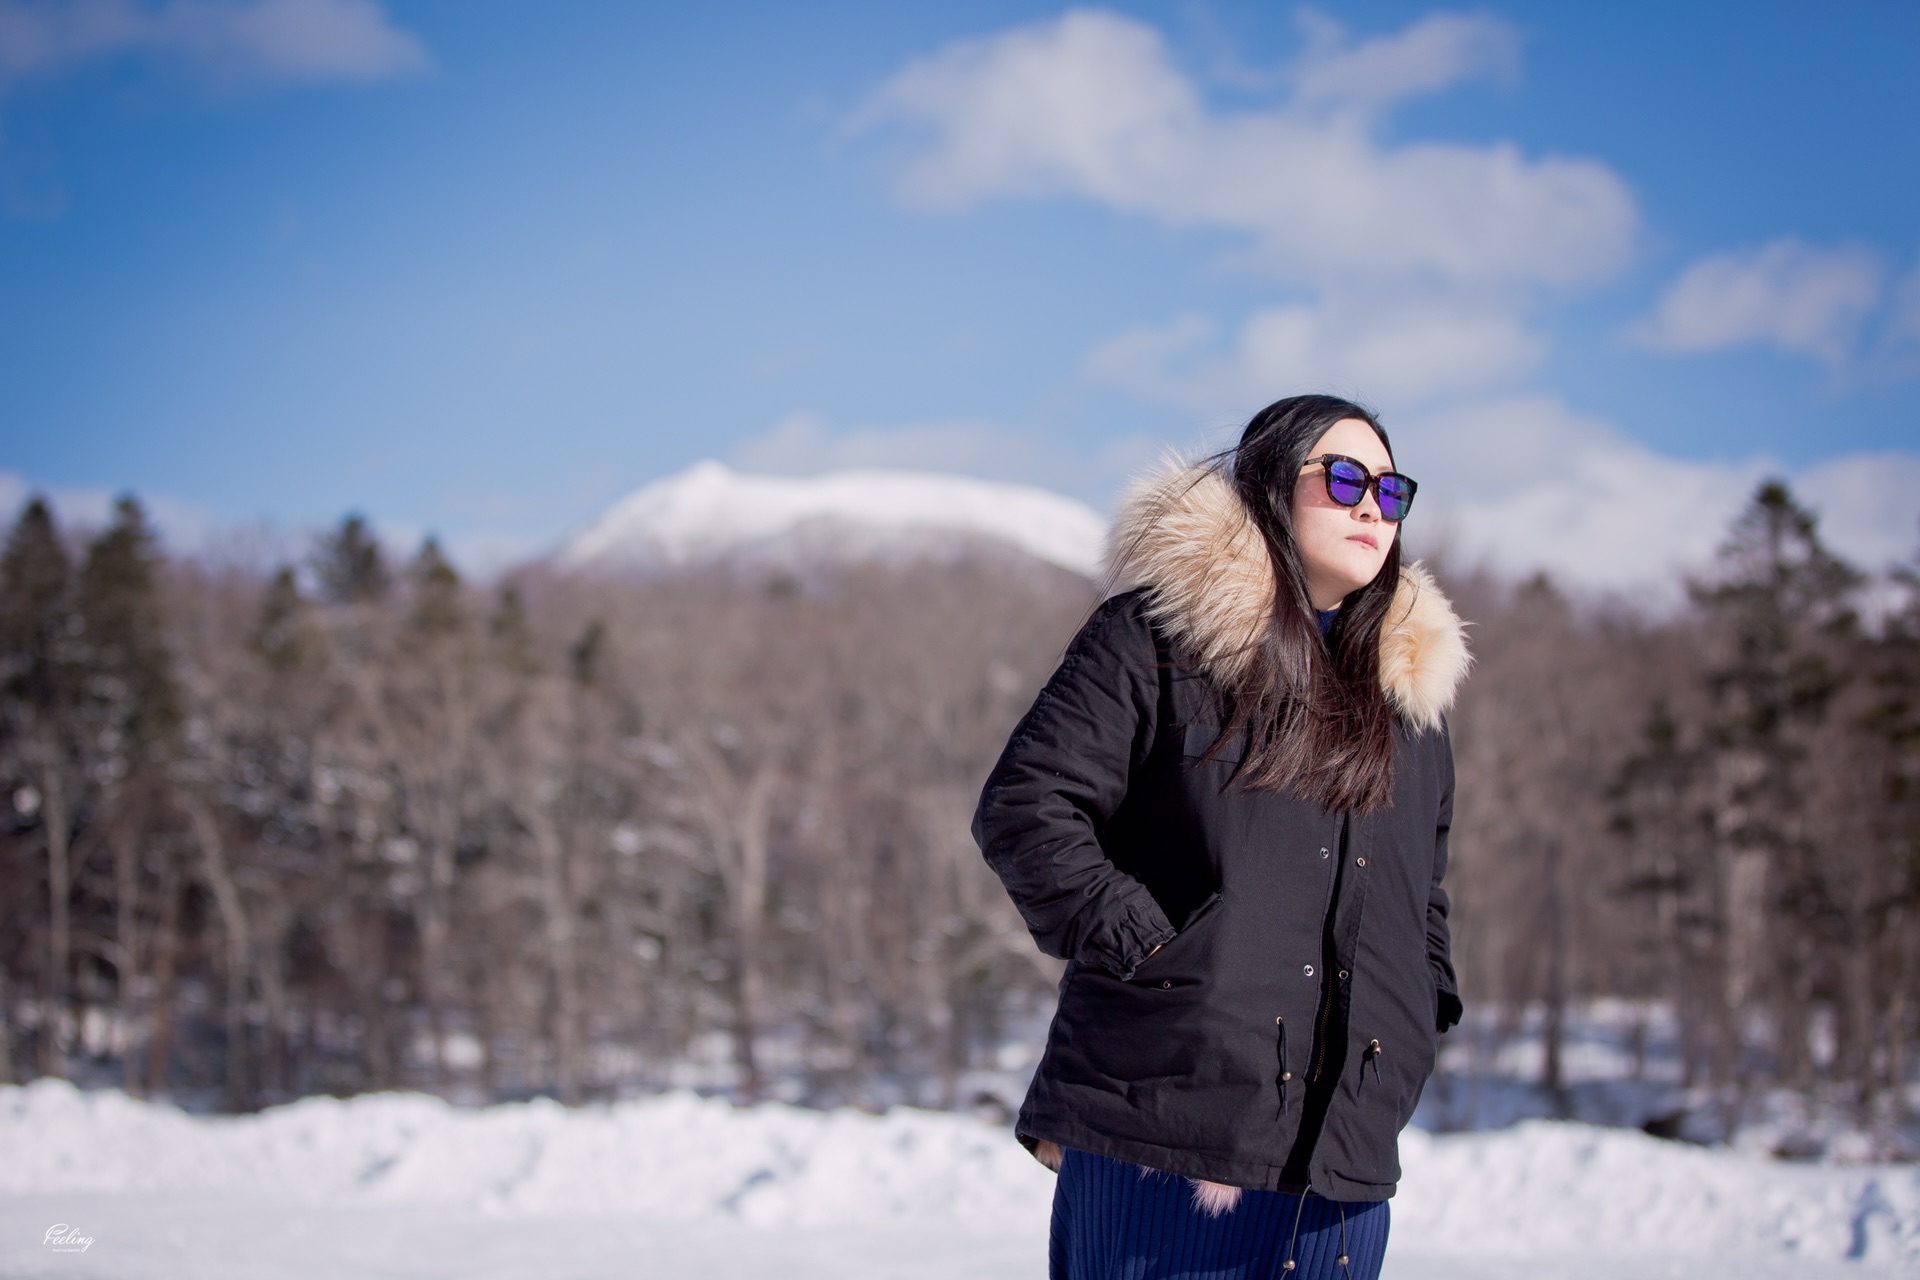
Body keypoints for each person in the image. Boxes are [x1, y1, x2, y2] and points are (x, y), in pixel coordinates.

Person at [972, 394, 1470, 1280]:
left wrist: (1421, 1005)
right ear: (1273, 485)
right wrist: (1151, 945)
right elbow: (1028, 804)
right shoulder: (1158, 640)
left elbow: (1420, 898)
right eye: (1345, 478)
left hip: (1340, 1169)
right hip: (1167, 1130)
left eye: (1392, 491)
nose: (1371, 506)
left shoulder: (1410, 707)